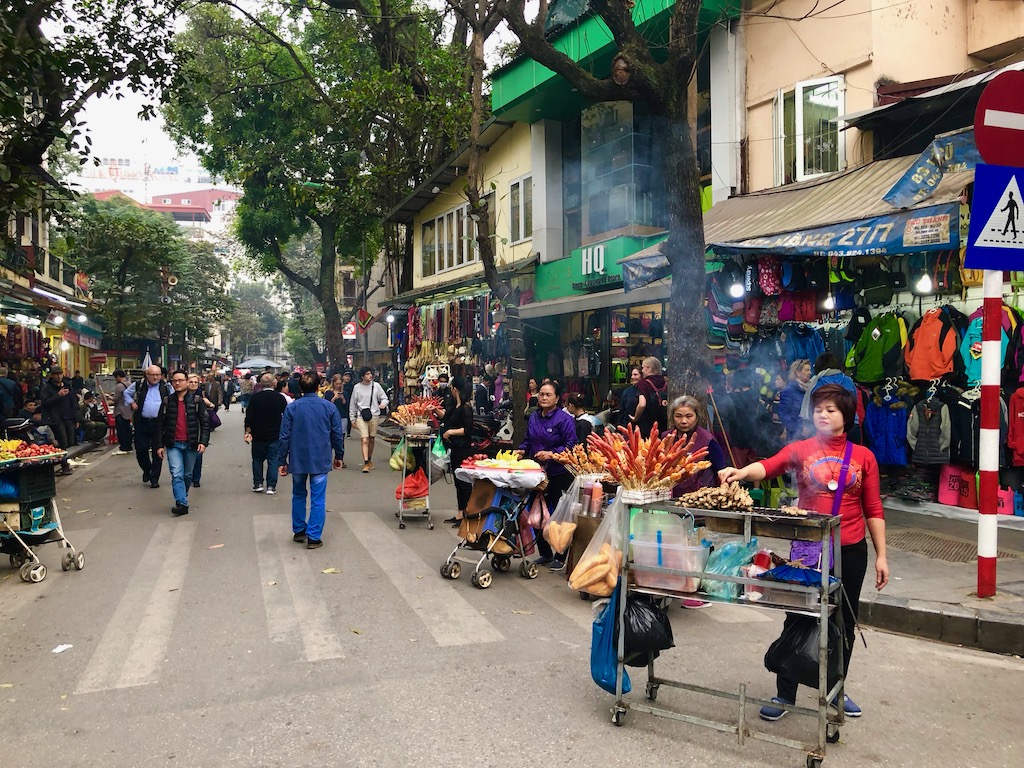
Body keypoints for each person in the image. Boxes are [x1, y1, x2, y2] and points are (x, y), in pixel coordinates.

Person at [718, 384, 889, 720]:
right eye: (818, 409)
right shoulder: (800, 448)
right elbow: (769, 466)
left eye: (831, 410)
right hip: (807, 549)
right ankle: (785, 693)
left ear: (846, 415)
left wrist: (882, 555)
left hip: (850, 550)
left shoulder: (864, 456)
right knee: (797, 615)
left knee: (843, 622)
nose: (823, 415)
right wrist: (741, 471)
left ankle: (836, 689)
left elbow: (874, 508)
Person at [278, 371, 345, 549]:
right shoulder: (329, 407)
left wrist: (281, 461)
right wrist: (339, 455)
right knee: (318, 498)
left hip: (298, 458)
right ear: (318, 387)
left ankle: (299, 530)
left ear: (300, 387)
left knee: (298, 494)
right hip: (320, 458)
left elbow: (284, 436)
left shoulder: (292, 408)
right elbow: (337, 434)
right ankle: (314, 537)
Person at [515, 380, 577, 568]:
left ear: (557, 398)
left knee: (560, 516)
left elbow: (572, 446)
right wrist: (521, 450)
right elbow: (528, 440)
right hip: (537, 473)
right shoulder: (534, 417)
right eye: (541, 394)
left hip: (559, 473)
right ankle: (545, 553)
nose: (543, 397)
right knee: (537, 514)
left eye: (548, 394)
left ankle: (560, 555)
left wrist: (552, 454)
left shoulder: (564, 420)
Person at [156, 370, 210, 516]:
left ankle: (182, 496)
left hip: (191, 444)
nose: (177, 383)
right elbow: (160, 424)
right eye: (175, 380)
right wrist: (159, 445)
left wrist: (203, 442)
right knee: (177, 474)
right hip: (173, 444)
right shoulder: (167, 401)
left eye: (180, 380)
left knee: (187, 475)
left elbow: (205, 423)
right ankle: (182, 503)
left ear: (186, 381)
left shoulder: (197, 401)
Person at [124, 365, 172, 488]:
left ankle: (154, 478)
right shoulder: (139, 385)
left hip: (159, 423)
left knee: (158, 451)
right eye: (152, 374)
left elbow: (175, 398)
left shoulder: (166, 386)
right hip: (142, 422)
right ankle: (147, 469)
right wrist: (132, 403)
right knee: (141, 450)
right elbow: (126, 394)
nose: (155, 377)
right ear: (147, 374)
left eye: (158, 374)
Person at [246, 373, 288, 493]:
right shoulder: (280, 398)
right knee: (273, 460)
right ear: (274, 383)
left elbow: (249, 416)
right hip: (275, 434)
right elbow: (286, 415)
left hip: (258, 434)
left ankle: (258, 483)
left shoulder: (255, 398)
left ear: (261, 384)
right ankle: (271, 486)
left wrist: (248, 431)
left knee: (257, 459)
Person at [442, 380, 475, 527]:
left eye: (451, 388)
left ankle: (467, 514)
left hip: (463, 449)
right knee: (457, 481)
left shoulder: (466, 408)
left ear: (456, 389)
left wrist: (451, 432)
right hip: (455, 448)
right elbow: (445, 417)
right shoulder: (456, 406)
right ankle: (460, 512)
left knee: (464, 483)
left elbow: (468, 430)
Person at [349, 366, 388, 473]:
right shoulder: (357, 387)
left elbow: (384, 398)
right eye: (367, 374)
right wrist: (352, 419)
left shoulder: (376, 386)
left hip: (374, 415)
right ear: (362, 376)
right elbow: (353, 404)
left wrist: (383, 404)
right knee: (364, 439)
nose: (370, 375)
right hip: (361, 416)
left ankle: (369, 459)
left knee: (371, 439)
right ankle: (366, 463)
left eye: (371, 373)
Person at [40, 366, 78, 459]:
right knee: (62, 442)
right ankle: (63, 463)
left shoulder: (67, 385)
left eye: (60, 374)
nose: (59, 376)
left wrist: (76, 419)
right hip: (56, 418)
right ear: (52, 375)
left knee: (71, 440)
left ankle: (67, 459)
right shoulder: (47, 388)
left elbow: (73, 402)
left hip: (68, 417)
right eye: (56, 374)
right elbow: (45, 403)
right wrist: (58, 395)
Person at [187, 374, 216, 487]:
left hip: (197, 429)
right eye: (191, 382)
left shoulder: (201, 394)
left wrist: (208, 403)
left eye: (195, 382)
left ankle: (196, 478)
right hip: (185, 431)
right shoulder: (180, 396)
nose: (193, 384)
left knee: (198, 456)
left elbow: (208, 407)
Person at [632, 356, 667, 437]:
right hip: (664, 423)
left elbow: (642, 404)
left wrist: (635, 418)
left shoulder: (643, 383)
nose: (642, 371)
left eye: (643, 368)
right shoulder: (666, 381)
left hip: (648, 425)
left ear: (649, 368)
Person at [778, 359, 812, 442]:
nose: (810, 373)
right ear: (798, 372)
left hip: (811, 435)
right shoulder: (789, 391)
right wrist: (798, 429)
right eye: (806, 370)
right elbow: (783, 413)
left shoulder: (811, 389)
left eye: (810, 370)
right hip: (795, 437)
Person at [112, 369, 133, 454]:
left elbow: (116, 399)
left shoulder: (119, 386)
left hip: (120, 410)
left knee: (121, 430)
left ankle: (123, 448)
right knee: (127, 429)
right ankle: (129, 447)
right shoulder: (130, 384)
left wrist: (109, 397)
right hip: (128, 410)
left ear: (118, 377)